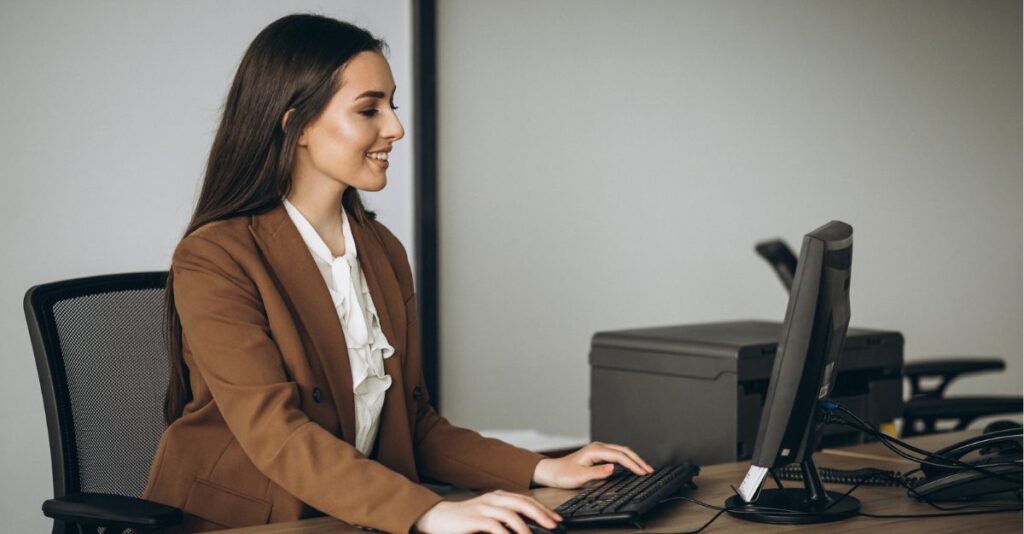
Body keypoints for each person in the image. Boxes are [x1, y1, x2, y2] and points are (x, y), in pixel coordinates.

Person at [144, 13, 653, 534]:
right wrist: (428, 511)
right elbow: (279, 435)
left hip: (349, 518)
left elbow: (415, 427)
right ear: (296, 125)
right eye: (369, 109)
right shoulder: (215, 258)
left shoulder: (381, 250)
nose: (395, 127)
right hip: (244, 523)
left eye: (392, 105)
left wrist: (544, 468)